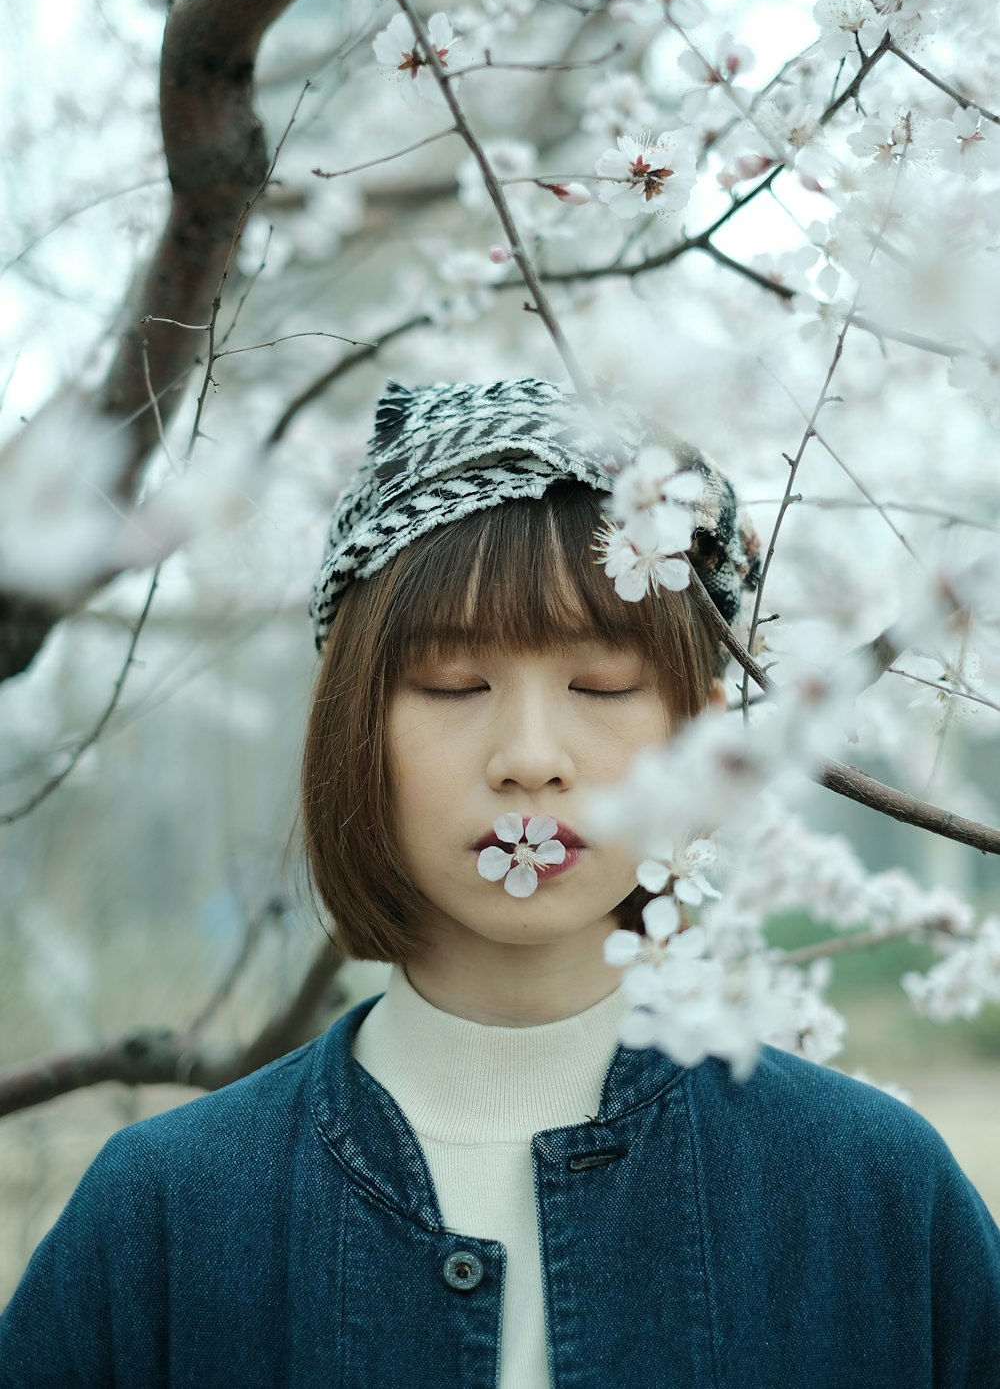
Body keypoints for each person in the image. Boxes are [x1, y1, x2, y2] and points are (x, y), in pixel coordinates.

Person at [1, 375, 998, 1388]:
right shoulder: (165, 1213)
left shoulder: (876, 1195)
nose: (529, 757)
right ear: (355, 727)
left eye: (601, 686)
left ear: (700, 735)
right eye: (454, 685)